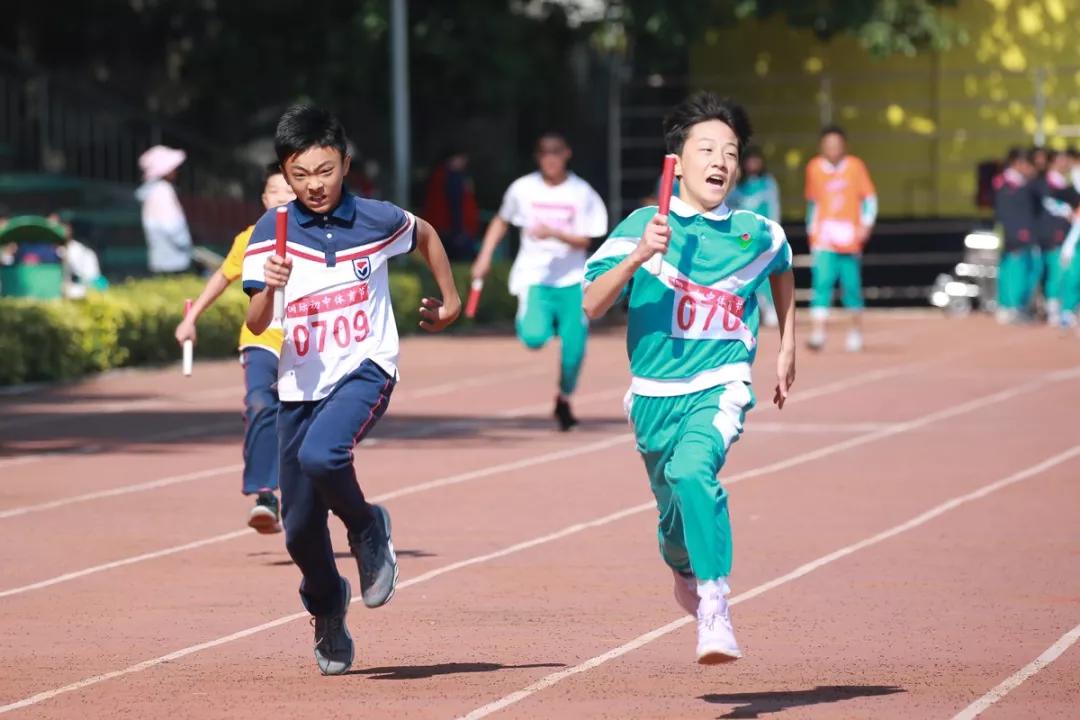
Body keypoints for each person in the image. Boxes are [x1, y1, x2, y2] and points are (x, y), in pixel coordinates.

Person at [243, 105, 460, 676]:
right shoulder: (272, 231)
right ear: (285, 175)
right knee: (297, 532)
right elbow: (259, 318)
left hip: (366, 368)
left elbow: (427, 234)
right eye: (299, 174)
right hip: (300, 385)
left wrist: (451, 299)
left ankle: (367, 527)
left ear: (344, 162)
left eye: (324, 170)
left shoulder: (377, 218)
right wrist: (268, 286)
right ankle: (328, 607)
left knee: (324, 454)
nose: (314, 184)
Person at [583, 92, 796, 664]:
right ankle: (683, 564)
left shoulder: (756, 231)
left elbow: (782, 265)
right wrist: (636, 258)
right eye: (707, 149)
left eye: (730, 151)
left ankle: (715, 603)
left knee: (693, 470)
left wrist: (786, 345)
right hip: (653, 395)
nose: (720, 161)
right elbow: (591, 304)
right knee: (671, 516)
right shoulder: (641, 225)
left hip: (721, 382)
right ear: (677, 159)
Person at [174, 163, 296, 532]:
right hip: (260, 338)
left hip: (305, 344)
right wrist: (190, 318)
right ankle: (264, 495)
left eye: (290, 190)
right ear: (263, 198)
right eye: (276, 191)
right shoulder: (250, 238)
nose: (283, 197)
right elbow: (222, 277)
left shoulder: (314, 236)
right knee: (260, 403)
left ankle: (305, 498)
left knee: (299, 424)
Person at [471, 133, 608, 430]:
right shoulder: (523, 189)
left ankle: (564, 397)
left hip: (572, 280)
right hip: (535, 277)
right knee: (533, 337)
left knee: (573, 353)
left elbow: (588, 238)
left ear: (567, 154)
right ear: (538, 157)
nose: (550, 158)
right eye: (544, 153)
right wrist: (484, 257)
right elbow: (501, 220)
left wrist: (554, 233)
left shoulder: (581, 192)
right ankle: (545, 321)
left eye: (556, 152)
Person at [804, 125, 877, 352]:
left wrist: (865, 226)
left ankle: (855, 331)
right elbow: (813, 203)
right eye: (828, 145)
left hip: (849, 238)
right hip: (824, 238)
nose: (833, 149)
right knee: (822, 284)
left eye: (837, 144)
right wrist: (812, 234)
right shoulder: (814, 168)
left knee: (851, 287)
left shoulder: (855, 167)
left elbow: (870, 199)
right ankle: (818, 333)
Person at [727, 146, 780, 327]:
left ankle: (770, 308)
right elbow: (728, 206)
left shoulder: (768, 182)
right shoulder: (738, 186)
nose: (753, 164)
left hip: (763, 234)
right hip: (743, 237)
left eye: (756, 160)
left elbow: (774, 207)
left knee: (764, 271)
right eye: (749, 160)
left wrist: (775, 230)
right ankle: (748, 311)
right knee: (743, 273)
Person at [1032, 151, 1079, 326]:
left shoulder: (1065, 183)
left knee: (1069, 273)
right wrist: (1068, 211)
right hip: (1055, 236)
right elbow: (1049, 205)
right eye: (1061, 160)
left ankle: (1065, 309)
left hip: (1068, 235)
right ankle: (1053, 308)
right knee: (1057, 272)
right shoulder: (1047, 184)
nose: (1065, 163)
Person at [993, 148, 1039, 324]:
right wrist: (1015, 233)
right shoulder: (1005, 183)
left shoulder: (1023, 183)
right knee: (1013, 271)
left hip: (1024, 234)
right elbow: (1005, 212)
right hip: (1013, 235)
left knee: (1024, 269)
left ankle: (1016, 306)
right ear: (1017, 163)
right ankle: (1010, 307)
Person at [136, 145, 193, 275]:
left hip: (159, 257)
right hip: (173, 258)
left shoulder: (151, 191)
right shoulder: (163, 191)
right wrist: (185, 242)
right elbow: (170, 224)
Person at [422, 148, 480, 260]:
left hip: (440, 227)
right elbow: (455, 206)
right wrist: (458, 231)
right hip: (453, 229)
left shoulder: (438, 175)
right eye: (461, 159)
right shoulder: (452, 177)